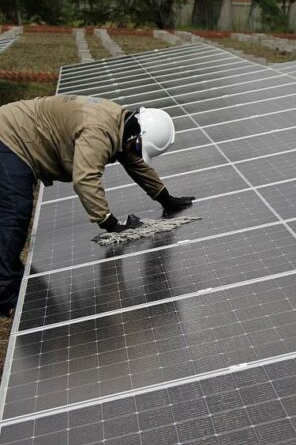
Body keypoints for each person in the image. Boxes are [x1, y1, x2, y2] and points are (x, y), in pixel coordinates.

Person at [0, 94, 195, 317]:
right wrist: (110, 224)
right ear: (136, 137)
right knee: (15, 213)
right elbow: (85, 179)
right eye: (137, 148)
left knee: (12, 215)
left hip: (16, 134)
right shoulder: (98, 132)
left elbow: (135, 163)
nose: (135, 154)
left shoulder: (122, 124)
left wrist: (165, 198)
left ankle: (11, 278)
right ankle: (6, 296)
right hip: (9, 138)